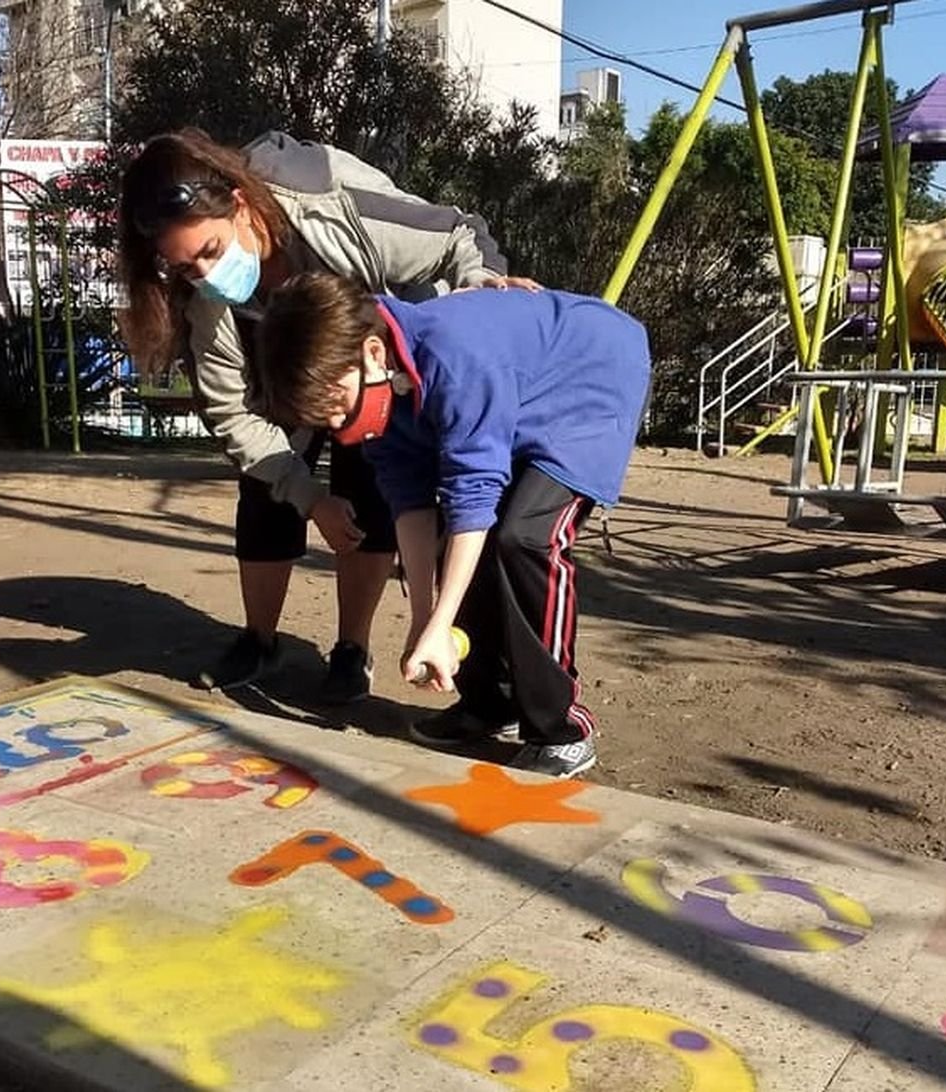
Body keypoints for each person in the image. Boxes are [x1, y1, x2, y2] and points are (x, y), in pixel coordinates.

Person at [117, 130, 527, 702]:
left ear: (240, 204)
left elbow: (458, 235)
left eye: (210, 252)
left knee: (374, 481)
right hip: (287, 373)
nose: (208, 277)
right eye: (187, 270)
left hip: (377, 355)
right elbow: (232, 412)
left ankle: (352, 650)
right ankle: (259, 639)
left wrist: (483, 292)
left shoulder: (332, 208)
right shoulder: (209, 299)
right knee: (264, 487)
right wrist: (310, 497)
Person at [254, 273, 651, 778]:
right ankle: (491, 701)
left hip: (592, 378)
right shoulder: (377, 391)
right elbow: (412, 507)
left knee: (524, 536)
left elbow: (474, 494)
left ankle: (563, 727)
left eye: (336, 402)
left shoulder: (454, 358)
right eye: (322, 416)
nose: (336, 423)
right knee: (460, 543)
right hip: (517, 390)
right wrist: (426, 620)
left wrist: (443, 622)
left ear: (374, 354)